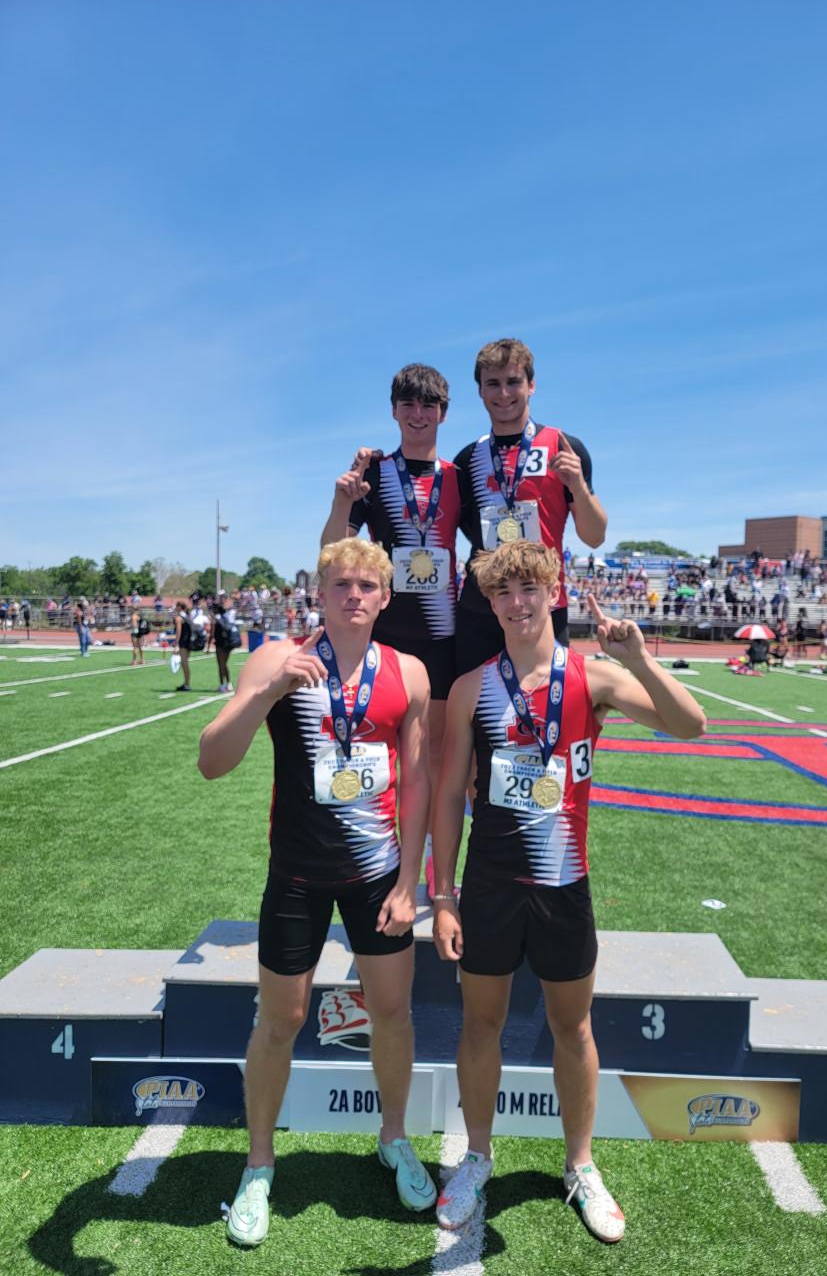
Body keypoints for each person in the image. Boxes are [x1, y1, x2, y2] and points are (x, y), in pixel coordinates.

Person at [430, 541, 705, 1243]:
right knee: (480, 1026)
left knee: (571, 1027)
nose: (518, 605)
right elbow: (444, 800)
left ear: (552, 592)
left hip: (564, 886)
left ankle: (580, 1165)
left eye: (529, 590)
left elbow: (690, 724)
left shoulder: (594, 678)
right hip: (490, 887)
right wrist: (443, 894)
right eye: (503, 594)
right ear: (489, 605)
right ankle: (478, 1157)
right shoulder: (470, 689)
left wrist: (640, 657)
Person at [199, 538, 435, 1247]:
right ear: (320, 593)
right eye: (341, 584)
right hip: (297, 877)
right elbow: (213, 759)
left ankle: (392, 1138)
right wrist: (269, 692)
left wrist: (410, 882)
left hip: (377, 879)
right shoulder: (277, 658)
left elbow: (419, 781)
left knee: (390, 1014)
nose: (354, 595)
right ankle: (260, 1165)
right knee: (281, 1020)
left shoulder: (410, 672)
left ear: (386, 596)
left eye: (367, 584)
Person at [321, 363, 461, 895]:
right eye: (409, 404)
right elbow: (331, 551)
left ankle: (437, 882)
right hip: (386, 640)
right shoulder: (374, 473)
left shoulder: (459, 475)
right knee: (386, 765)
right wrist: (342, 500)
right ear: (394, 410)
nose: (418, 414)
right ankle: (381, 872)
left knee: (440, 770)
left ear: (443, 413)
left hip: (445, 640)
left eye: (428, 405)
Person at [453, 338, 608, 675]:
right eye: (492, 383)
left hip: (544, 605)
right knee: (475, 715)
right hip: (482, 608)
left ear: (531, 385)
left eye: (513, 382)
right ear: (480, 391)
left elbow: (595, 537)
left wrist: (578, 486)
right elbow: (464, 529)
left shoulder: (563, 446)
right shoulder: (468, 458)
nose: (504, 393)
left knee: (547, 713)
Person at [213, 597, 242, 691]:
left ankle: (222, 685)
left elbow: (212, 634)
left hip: (220, 644)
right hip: (228, 644)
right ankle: (229, 683)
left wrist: (209, 646)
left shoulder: (217, 619)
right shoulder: (227, 617)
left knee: (221, 665)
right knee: (224, 664)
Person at [173, 601, 193, 689]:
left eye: (176, 606)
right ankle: (186, 683)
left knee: (184, 663)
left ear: (180, 607)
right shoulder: (187, 616)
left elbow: (178, 631)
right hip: (188, 642)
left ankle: (187, 684)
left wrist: (176, 644)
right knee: (185, 663)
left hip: (183, 643)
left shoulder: (179, 618)